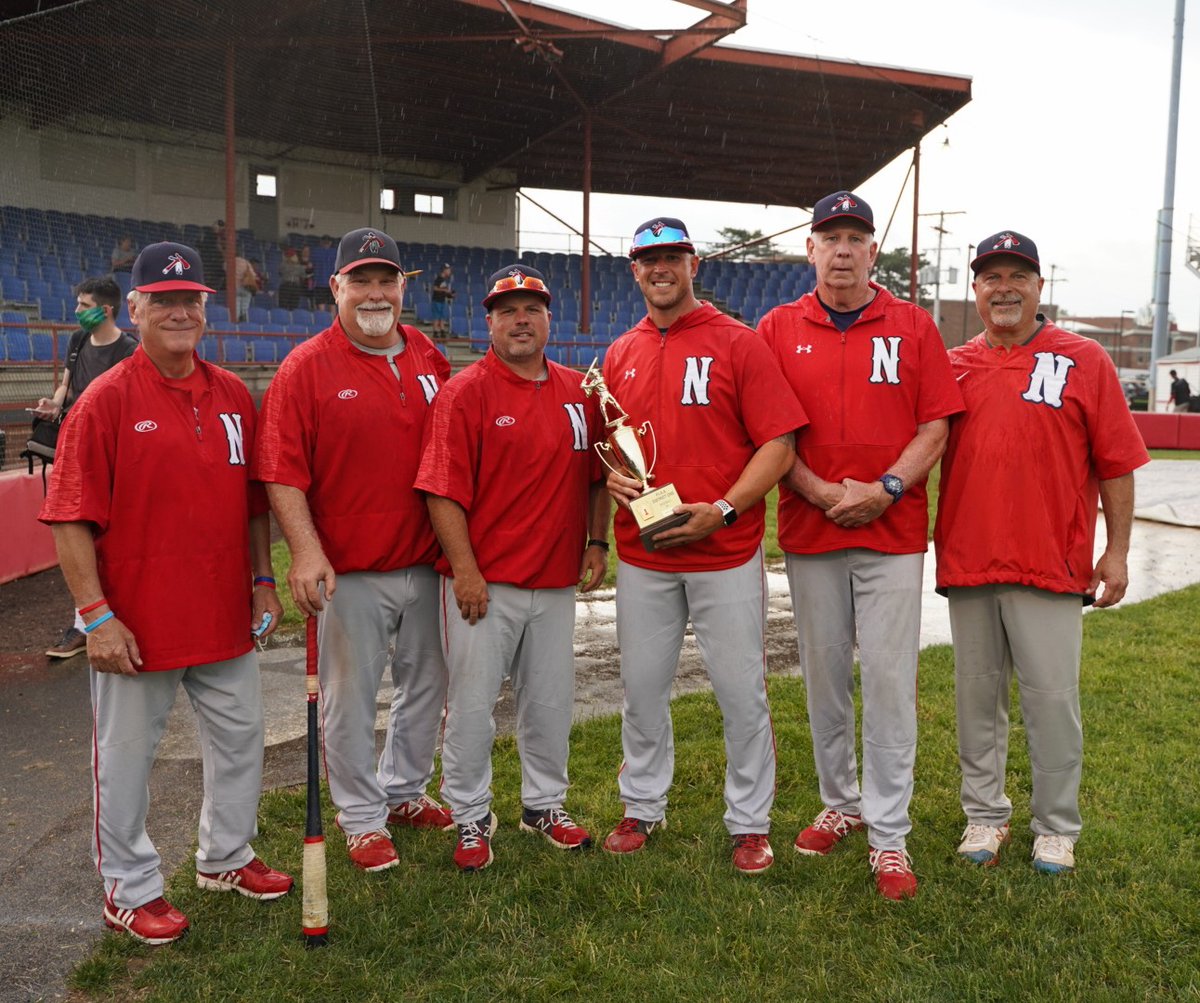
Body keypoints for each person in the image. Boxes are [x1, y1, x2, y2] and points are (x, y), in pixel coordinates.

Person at [39, 241, 291, 946]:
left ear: (205, 308)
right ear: (138, 307)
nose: (180, 310)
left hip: (222, 614)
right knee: (124, 760)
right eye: (165, 299)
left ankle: (226, 857)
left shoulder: (234, 394)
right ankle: (129, 887)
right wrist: (97, 616)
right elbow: (68, 517)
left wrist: (264, 578)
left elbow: (252, 505)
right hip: (136, 624)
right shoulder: (105, 400)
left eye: (192, 300)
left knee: (243, 742)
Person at [757, 191, 964, 900]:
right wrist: (820, 493)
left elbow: (935, 425)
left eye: (855, 236)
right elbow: (772, 434)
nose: (841, 249)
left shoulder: (913, 324)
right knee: (824, 678)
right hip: (812, 532)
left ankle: (889, 833)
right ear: (808, 250)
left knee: (886, 679)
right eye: (829, 237)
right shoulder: (778, 327)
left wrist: (884, 489)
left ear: (874, 251)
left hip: (893, 530)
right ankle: (840, 801)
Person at [935, 230, 1149, 876]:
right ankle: (985, 814)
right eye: (990, 277)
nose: (1004, 287)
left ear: (1038, 286)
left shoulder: (1084, 359)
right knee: (976, 697)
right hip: (969, 560)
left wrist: (1116, 551)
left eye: (1016, 276)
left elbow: (1116, 463)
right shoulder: (952, 365)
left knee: (1052, 700)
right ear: (974, 290)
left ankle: (1056, 825)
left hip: (1051, 564)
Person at [599, 218, 807, 874]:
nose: (660, 269)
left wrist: (721, 508)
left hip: (725, 550)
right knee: (641, 686)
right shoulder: (620, 352)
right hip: (645, 553)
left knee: (741, 689)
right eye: (647, 259)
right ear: (634, 270)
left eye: (671, 257)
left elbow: (780, 443)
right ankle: (641, 804)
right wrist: (613, 475)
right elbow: (616, 446)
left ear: (694, 264)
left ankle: (750, 821)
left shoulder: (737, 343)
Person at [255, 227, 454, 873]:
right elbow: (282, 471)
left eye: (386, 279)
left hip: (427, 559)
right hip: (350, 570)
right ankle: (361, 816)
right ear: (335, 287)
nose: (374, 292)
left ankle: (402, 791)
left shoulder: (428, 353)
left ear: (403, 288)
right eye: (360, 279)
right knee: (351, 696)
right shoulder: (305, 366)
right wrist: (306, 553)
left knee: (429, 684)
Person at [415, 265, 610, 872]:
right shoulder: (465, 391)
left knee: (550, 701)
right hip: (485, 584)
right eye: (506, 310)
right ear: (489, 322)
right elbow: (441, 492)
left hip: (554, 580)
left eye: (531, 308)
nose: (520, 319)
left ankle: (544, 805)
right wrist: (465, 570)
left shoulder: (582, 390)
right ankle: (471, 815)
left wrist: (597, 541)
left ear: (549, 319)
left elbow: (603, 474)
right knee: (472, 706)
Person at [33, 276, 139, 659]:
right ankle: (86, 622)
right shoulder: (78, 342)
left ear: (106, 309)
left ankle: (97, 620)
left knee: (105, 541)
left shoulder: (129, 351)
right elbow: (66, 386)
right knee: (78, 535)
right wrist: (54, 404)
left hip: (111, 460)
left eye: (83, 305)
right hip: (74, 455)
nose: (76, 311)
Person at [234, 253, 261, 322]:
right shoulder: (246, 263)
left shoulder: (231, 261)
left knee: (237, 305)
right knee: (244, 307)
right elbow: (253, 276)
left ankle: (236, 322)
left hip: (235, 287)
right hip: (246, 288)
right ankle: (243, 321)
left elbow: (224, 268)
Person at [277, 246, 306, 310]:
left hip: (285, 286)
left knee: (283, 307)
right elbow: (303, 277)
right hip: (295, 287)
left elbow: (280, 273)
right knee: (293, 308)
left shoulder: (282, 265)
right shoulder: (300, 267)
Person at [430, 263, 454, 336]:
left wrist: (450, 294)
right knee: (437, 317)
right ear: (444, 270)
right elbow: (434, 288)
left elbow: (444, 291)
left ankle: (442, 331)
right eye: (448, 270)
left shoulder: (444, 280)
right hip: (436, 300)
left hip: (442, 300)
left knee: (441, 316)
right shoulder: (439, 279)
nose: (450, 272)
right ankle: (436, 332)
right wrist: (445, 290)